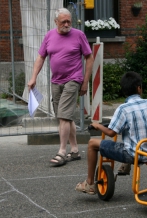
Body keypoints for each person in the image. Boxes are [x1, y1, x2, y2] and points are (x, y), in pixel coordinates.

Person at [75, 71, 147, 194]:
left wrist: (98, 126)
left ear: (124, 91)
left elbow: (111, 133)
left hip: (134, 154)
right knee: (129, 134)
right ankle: (126, 165)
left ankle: (89, 183)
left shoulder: (123, 109)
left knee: (92, 143)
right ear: (139, 88)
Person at [28, 8, 94, 167]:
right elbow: (41, 57)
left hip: (73, 79)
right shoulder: (49, 35)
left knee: (64, 115)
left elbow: (89, 57)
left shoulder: (79, 35)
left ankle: (62, 151)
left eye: (69, 21)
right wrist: (33, 77)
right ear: (56, 22)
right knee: (64, 116)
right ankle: (76, 150)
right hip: (56, 80)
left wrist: (85, 82)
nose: (66, 24)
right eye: (63, 21)